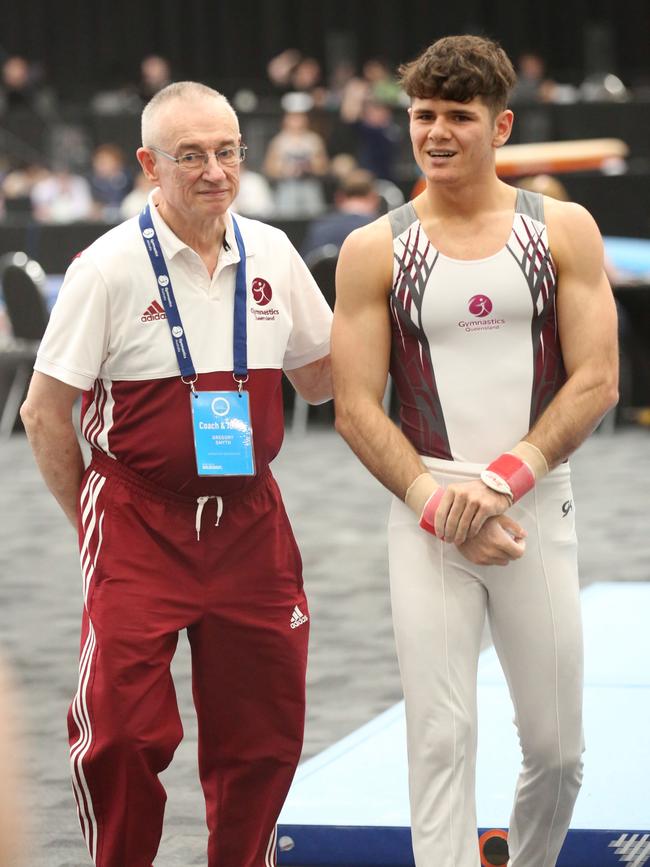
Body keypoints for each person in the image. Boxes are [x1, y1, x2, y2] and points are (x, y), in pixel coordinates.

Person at [20, 80, 332, 867]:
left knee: (263, 735)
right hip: (137, 514)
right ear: (149, 165)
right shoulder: (108, 267)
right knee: (119, 733)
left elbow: (324, 382)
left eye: (227, 151)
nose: (214, 170)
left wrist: (381, 294)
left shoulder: (273, 253)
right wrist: (90, 519)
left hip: (251, 520)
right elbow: (42, 412)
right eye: (190, 155)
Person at [332, 35, 618, 867]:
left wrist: (499, 483)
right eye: (423, 114)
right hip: (427, 506)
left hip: (529, 496)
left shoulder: (561, 228)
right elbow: (354, 406)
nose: (437, 132)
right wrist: (437, 503)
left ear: (502, 126)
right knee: (441, 741)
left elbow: (598, 380)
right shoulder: (375, 248)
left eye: (459, 115)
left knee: (559, 754)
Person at [301, 168, 380, 258]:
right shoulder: (384, 231)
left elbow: (306, 266)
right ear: (374, 198)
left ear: (339, 197)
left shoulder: (319, 228)